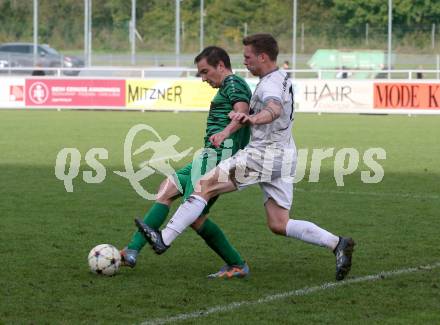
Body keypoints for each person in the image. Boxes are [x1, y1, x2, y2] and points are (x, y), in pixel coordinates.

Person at [136, 34, 355, 281]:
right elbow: (251, 114)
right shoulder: (279, 78)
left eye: (248, 57)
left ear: (262, 57)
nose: (245, 62)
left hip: (263, 155)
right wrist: (227, 131)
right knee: (279, 223)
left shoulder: (270, 86)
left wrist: (254, 118)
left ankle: (164, 239)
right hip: (284, 155)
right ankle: (337, 243)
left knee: (203, 186)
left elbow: (273, 110)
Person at [121, 46, 253, 279]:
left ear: (221, 65)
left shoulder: (233, 83)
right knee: (168, 188)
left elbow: (242, 111)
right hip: (207, 155)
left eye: (205, 72)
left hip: (219, 156)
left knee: (195, 216)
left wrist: (226, 132)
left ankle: (237, 264)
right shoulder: (227, 86)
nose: (203, 78)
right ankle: (131, 250)